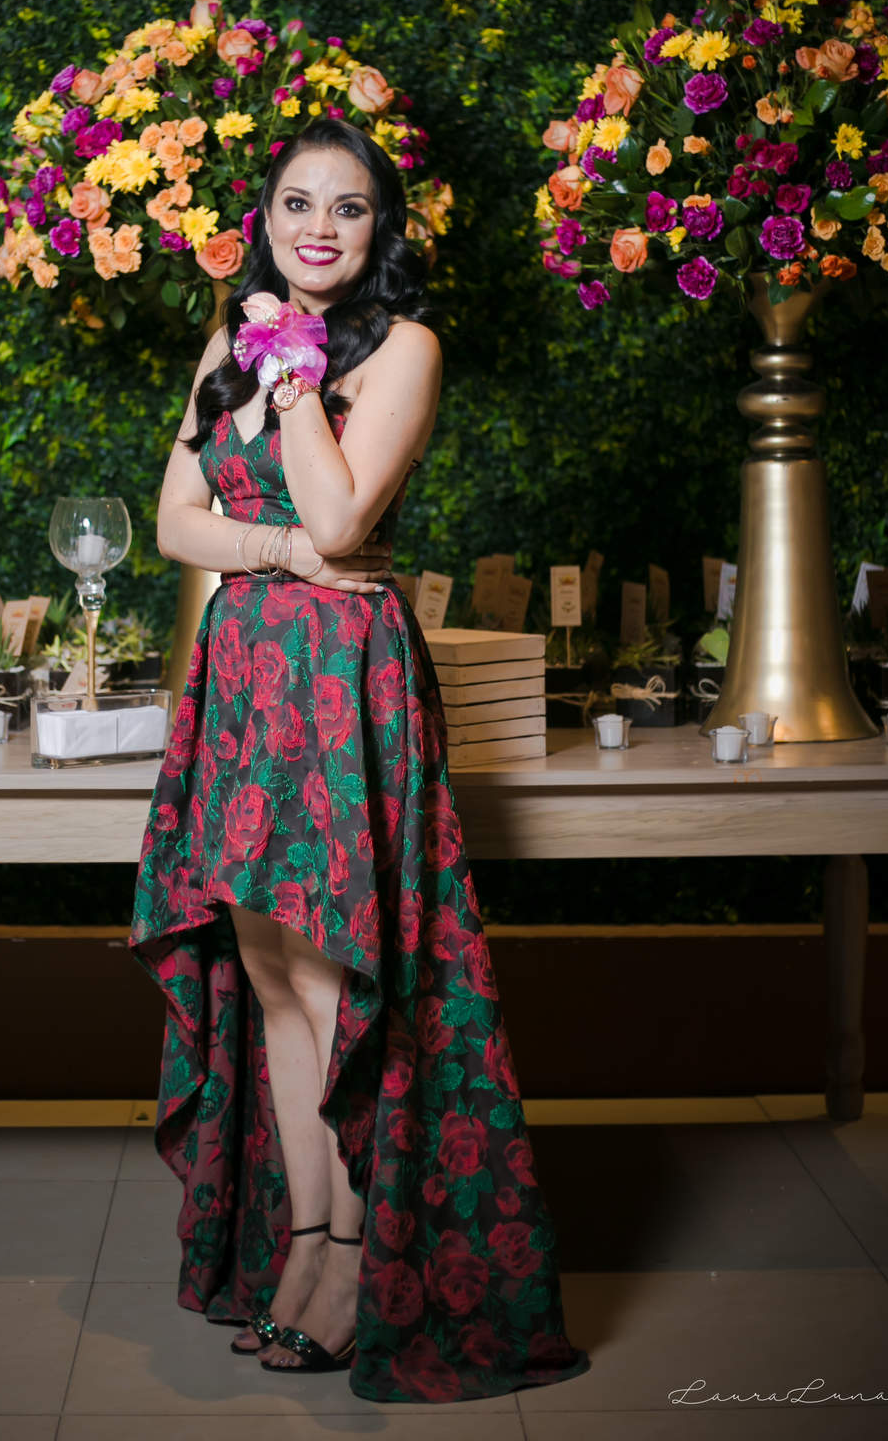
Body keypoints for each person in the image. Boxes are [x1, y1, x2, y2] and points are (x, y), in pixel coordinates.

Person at [129, 115, 590, 1402]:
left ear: (378, 228)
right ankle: (308, 1235)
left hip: (341, 677)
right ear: (264, 218)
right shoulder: (226, 338)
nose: (318, 227)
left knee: (334, 974)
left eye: (347, 206)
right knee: (272, 971)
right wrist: (273, 549)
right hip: (244, 673)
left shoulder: (402, 349)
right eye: (296, 203)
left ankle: (354, 1266)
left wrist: (291, 387)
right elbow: (174, 521)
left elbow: (340, 517)